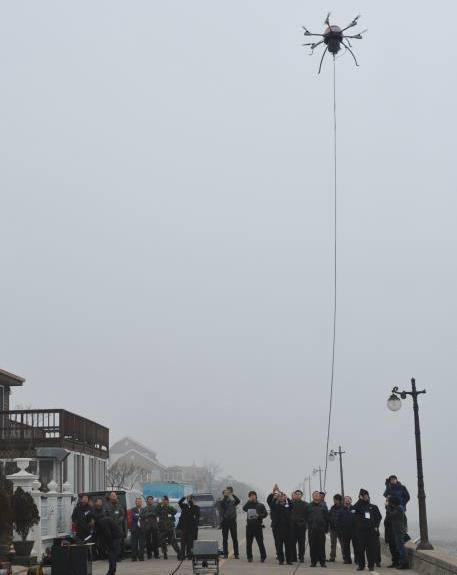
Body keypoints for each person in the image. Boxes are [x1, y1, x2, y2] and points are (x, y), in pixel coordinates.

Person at [353, 489, 382, 572]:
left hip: (371, 532)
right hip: (360, 532)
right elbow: (353, 509)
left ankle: (371, 565)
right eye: (364, 496)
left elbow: (379, 517)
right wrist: (359, 500)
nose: (366, 497)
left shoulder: (373, 507)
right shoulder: (358, 506)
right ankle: (361, 565)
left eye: (367, 496)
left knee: (371, 550)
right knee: (360, 549)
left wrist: (376, 526)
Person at [267, 488, 293, 565]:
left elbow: (292, 506)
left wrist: (287, 497)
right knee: (278, 545)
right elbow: (270, 503)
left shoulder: (287, 505)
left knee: (288, 545)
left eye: (282, 496)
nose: (281, 498)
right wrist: (274, 495)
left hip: (287, 528)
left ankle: (289, 560)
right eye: (279, 497)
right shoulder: (274, 505)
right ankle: (281, 560)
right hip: (277, 528)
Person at [243, 491, 268, 563]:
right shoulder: (248, 505)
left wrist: (259, 515)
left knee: (260, 542)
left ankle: (263, 557)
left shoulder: (260, 505)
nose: (252, 497)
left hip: (258, 526)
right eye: (250, 496)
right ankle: (249, 557)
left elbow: (265, 514)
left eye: (253, 495)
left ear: (256, 496)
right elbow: (244, 509)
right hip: (249, 526)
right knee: (248, 543)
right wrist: (248, 502)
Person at [307, 490, 329, 567]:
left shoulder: (323, 506)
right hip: (312, 530)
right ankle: (313, 562)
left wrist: (326, 528)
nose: (316, 496)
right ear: (312, 496)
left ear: (320, 497)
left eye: (317, 495)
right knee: (313, 546)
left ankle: (322, 562)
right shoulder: (309, 506)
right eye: (315, 495)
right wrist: (308, 524)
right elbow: (305, 517)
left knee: (321, 546)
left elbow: (327, 518)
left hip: (321, 529)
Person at [385, 496, 408, 569]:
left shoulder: (399, 508)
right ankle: (400, 563)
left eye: (389, 501)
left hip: (399, 530)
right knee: (399, 547)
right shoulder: (398, 508)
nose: (388, 502)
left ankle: (404, 563)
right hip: (397, 530)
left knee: (401, 547)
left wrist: (387, 507)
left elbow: (392, 514)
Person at [217, 487, 240, 559]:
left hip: (232, 521)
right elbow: (222, 505)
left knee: (235, 538)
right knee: (225, 539)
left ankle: (236, 554)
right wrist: (226, 496)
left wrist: (232, 495)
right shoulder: (222, 500)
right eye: (226, 492)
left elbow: (238, 501)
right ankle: (225, 554)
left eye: (228, 491)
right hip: (225, 521)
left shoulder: (233, 501)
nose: (227, 492)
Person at [105, 492, 126, 560]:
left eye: (115, 496)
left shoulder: (120, 505)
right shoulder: (107, 505)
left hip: (118, 527)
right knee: (111, 542)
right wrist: (111, 522)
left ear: (116, 497)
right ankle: (112, 556)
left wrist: (117, 522)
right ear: (110, 497)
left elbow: (122, 515)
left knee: (118, 543)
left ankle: (118, 556)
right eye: (112, 496)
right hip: (110, 527)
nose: (114, 497)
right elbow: (105, 515)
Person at [178, 495, 200, 559]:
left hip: (191, 528)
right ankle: (182, 555)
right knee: (183, 542)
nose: (188, 500)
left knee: (190, 542)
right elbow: (179, 503)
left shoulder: (196, 507)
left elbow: (197, 518)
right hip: (184, 527)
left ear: (193, 500)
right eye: (188, 499)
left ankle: (189, 554)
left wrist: (195, 526)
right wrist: (184, 497)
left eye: (190, 499)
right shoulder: (184, 506)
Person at [289, 489, 308, 563]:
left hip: (302, 526)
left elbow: (307, 515)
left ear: (301, 495)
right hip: (292, 526)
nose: (298, 495)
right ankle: (293, 557)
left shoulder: (305, 504)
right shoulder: (291, 503)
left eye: (299, 494)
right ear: (294, 495)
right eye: (296, 494)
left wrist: (304, 523)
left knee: (301, 543)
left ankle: (301, 556)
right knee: (292, 542)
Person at [338, 496, 357, 564]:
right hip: (345, 531)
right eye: (346, 499)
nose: (347, 500)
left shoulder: (355, 508)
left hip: (354, 531)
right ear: (344, 501)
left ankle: (357, 559)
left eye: (349, 499)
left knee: (356, 546)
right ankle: (347, 560)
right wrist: (340, 530)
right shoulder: (341, 510)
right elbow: (338, 521)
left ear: (351, 501)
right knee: (346, 546)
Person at [130, 497, 146, 562]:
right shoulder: (132, 509)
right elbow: (134, 516)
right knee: (134, 544)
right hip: (135, 529)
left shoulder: (144, 509)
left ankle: (141, 557)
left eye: (139, 501)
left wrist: (139, 515)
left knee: (142, 544)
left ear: (141, 503)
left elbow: (145, 516)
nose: (138, 502)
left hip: (142, 529)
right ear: (135, 502)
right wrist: (140, 516)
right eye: (137, 501)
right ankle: (134, 557)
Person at [329, 494, 344, 562]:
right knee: (333, 544)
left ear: (339, 500)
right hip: (333, 529)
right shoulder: (332, 508)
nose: (335, 501)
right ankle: (332, 557)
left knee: (342, 544)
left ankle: (345, 557)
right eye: (334, 499)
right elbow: (329, 517)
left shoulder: (343, 508)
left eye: (336, 500)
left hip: (340, 529)